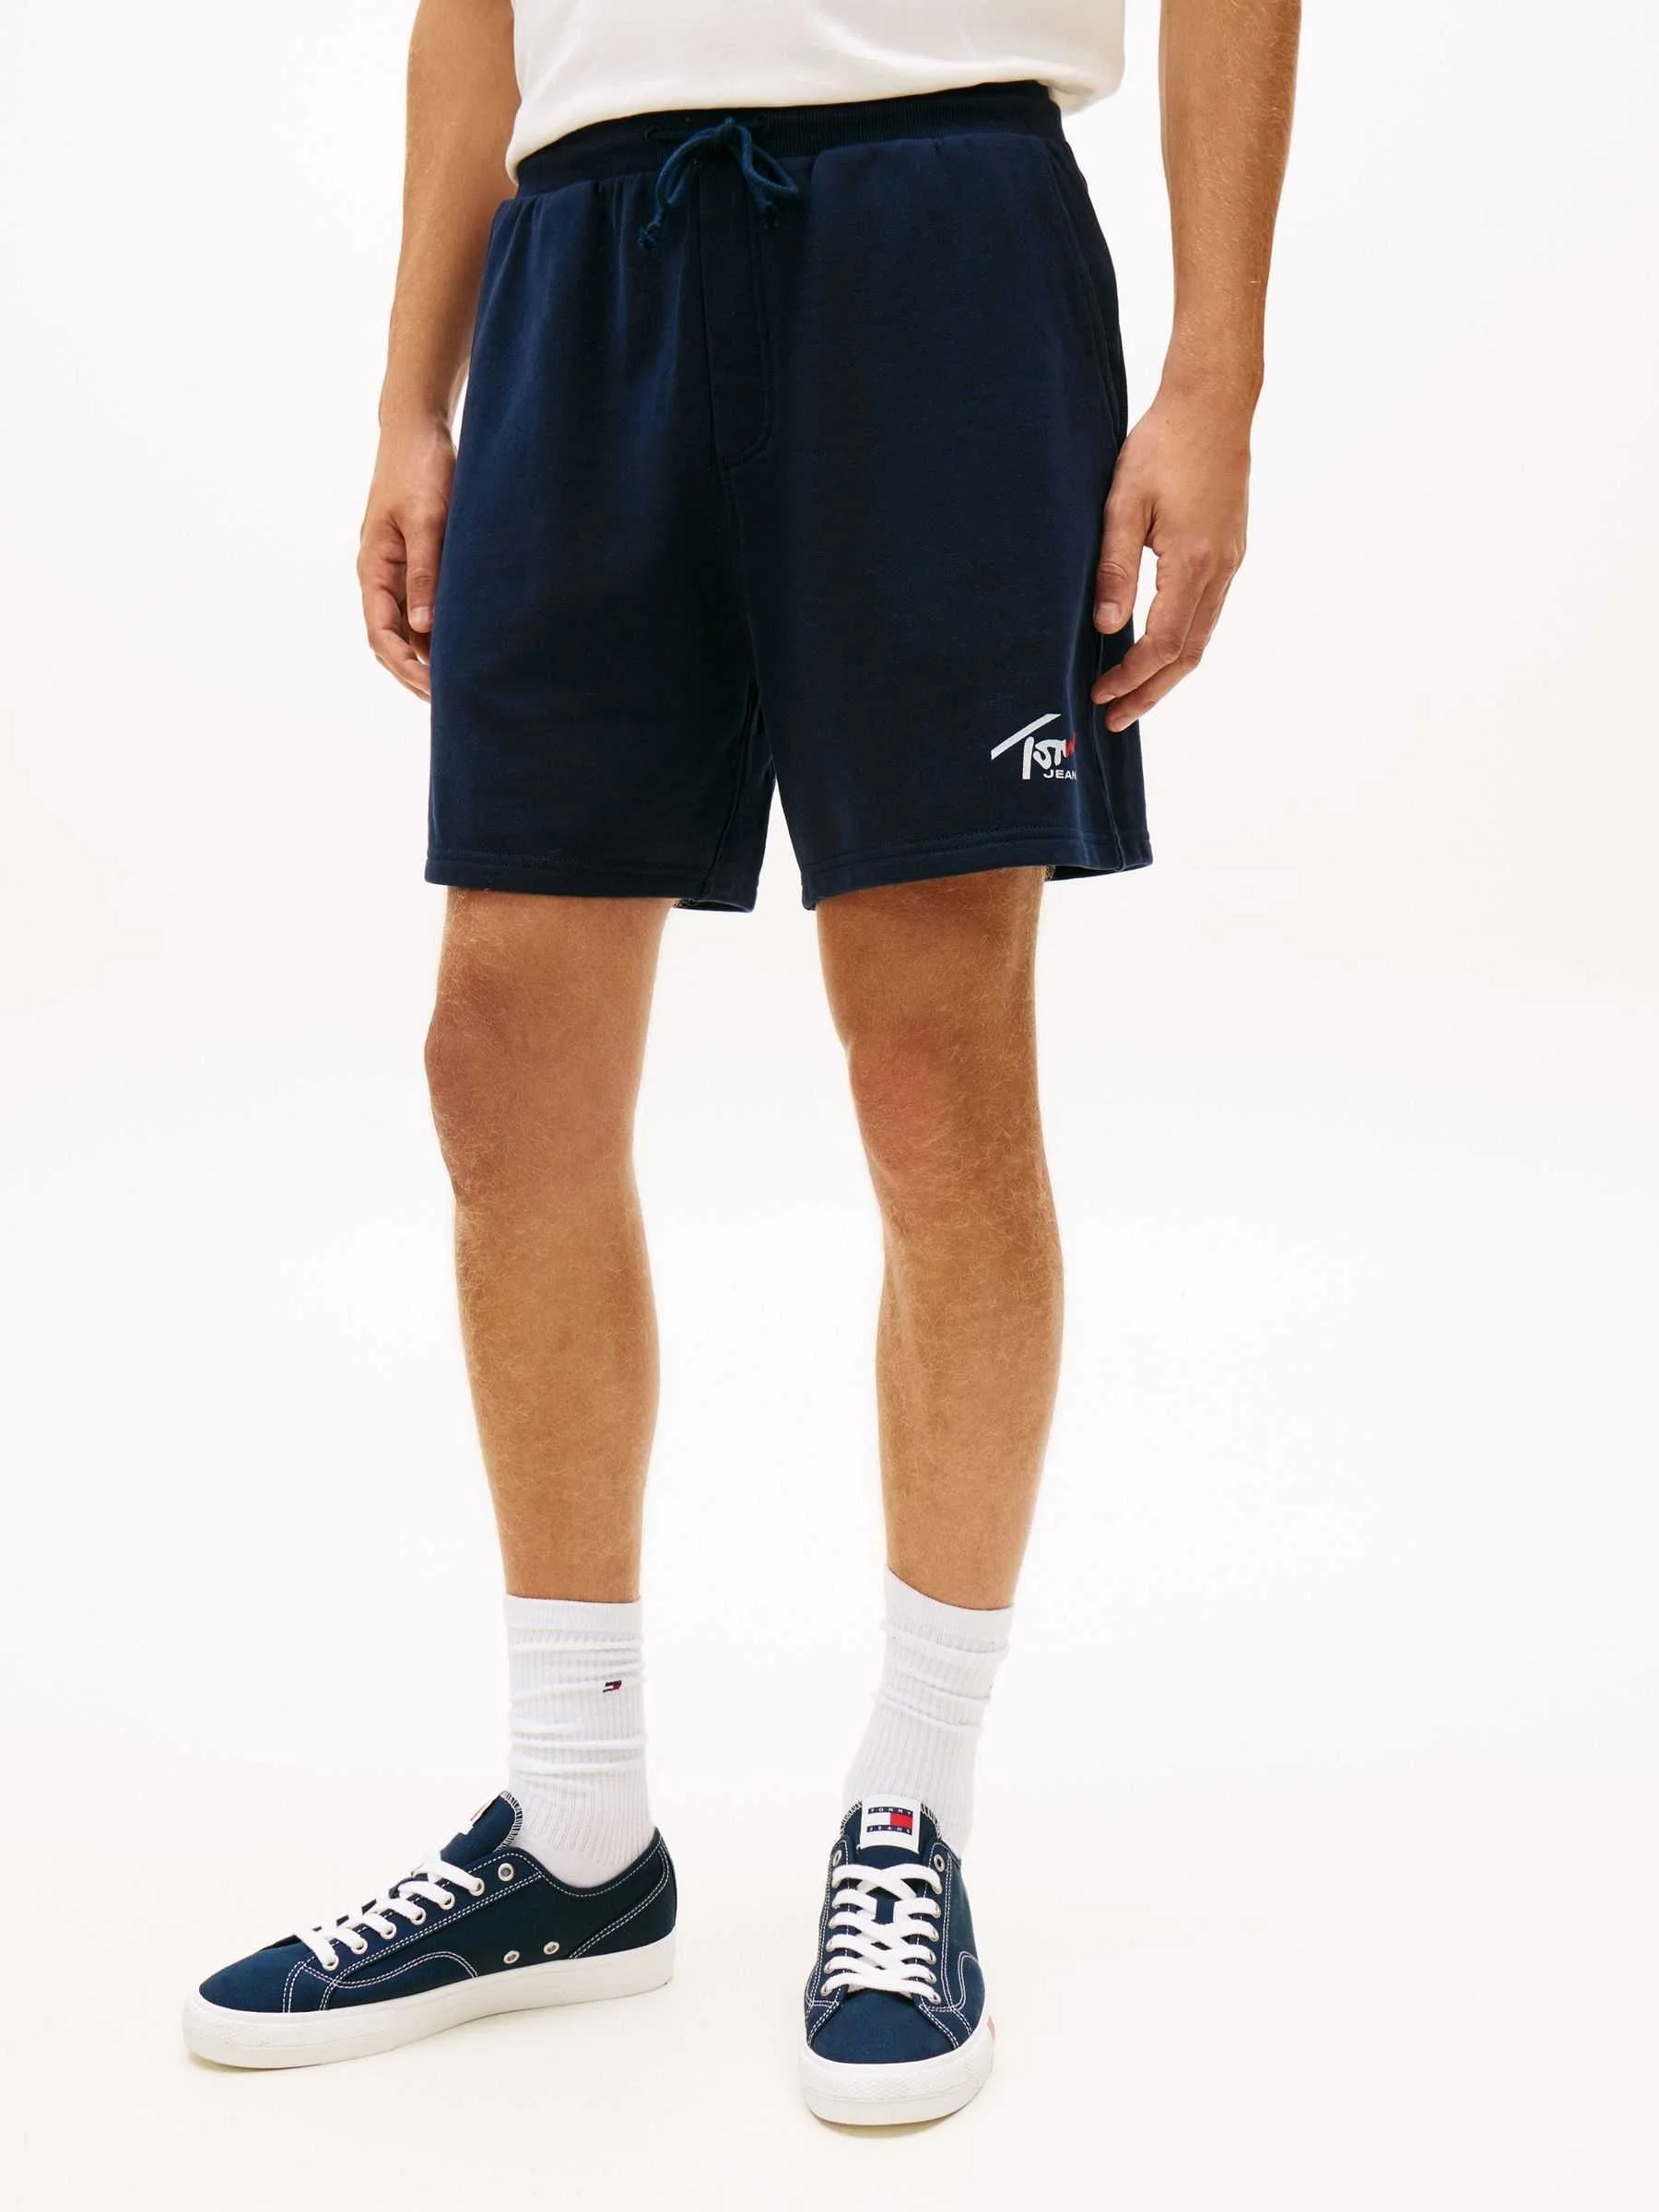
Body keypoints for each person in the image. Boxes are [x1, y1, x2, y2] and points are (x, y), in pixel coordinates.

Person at [182, 0, 1298, 2124]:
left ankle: (913, 1806)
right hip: (585, 251)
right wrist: (411, 397)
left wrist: (1217, 374)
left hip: (938, 228)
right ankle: (575, 1823)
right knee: (499, 1047)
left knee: (933, 1066)